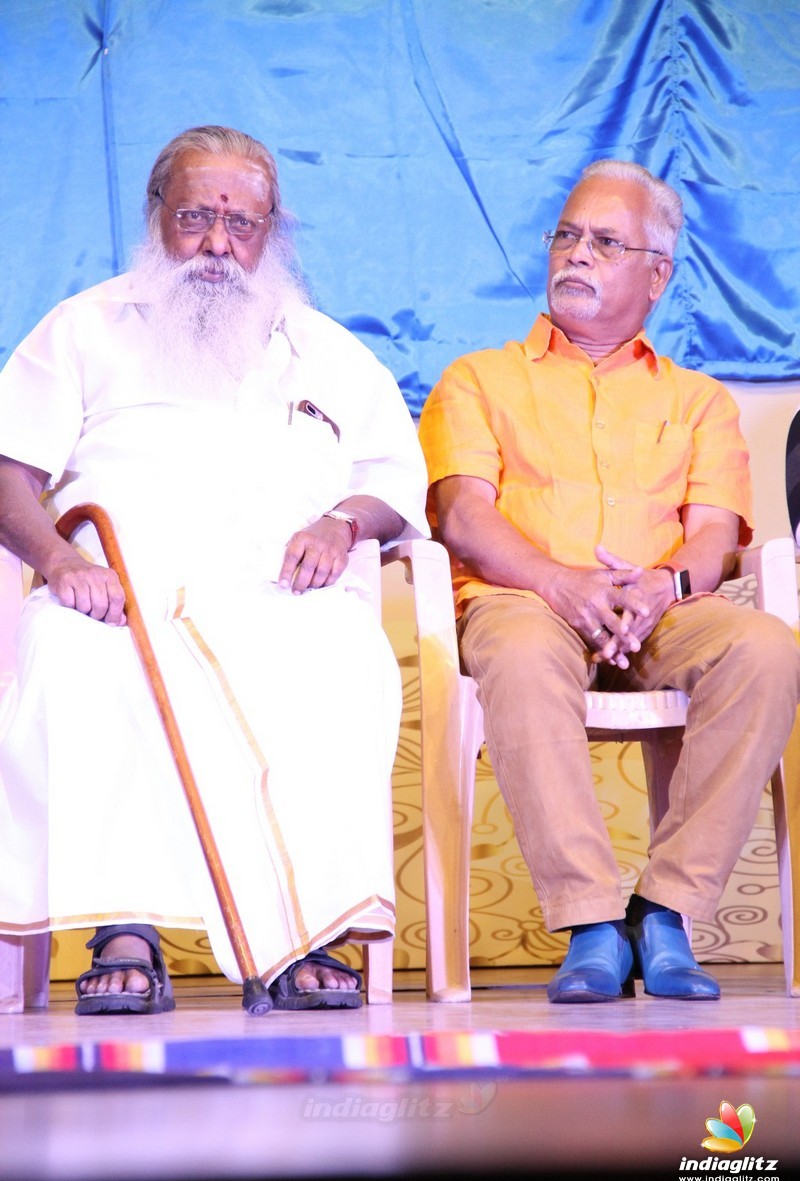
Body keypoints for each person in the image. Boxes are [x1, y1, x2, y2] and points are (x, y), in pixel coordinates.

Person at [0, 125, 429, 1014]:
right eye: (194, 216)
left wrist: (343, 522)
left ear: (274, 231)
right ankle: (122, 928)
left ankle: (306, 931)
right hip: (116, 595)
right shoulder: (84, 328)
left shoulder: (325, 349)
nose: (216, 244)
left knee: (346, 659)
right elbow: (10, 471)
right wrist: (54, 560)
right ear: (157, 215)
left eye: (241, 223)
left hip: (282, 597)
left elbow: (393, 478)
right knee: (72, 657)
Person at [418, 159, 800, 1003]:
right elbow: (464, 519)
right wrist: (563, 584)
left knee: (769, 646)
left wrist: (664, 585)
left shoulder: (699, 400)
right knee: (516, 647)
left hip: (660, 613)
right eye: (567, 235)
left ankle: (663, 910)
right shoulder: (479, 379)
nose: (576, 255)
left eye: (604, 241)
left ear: (656, 274)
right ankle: (593, 921)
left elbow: (712, 533)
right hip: (527, 603)